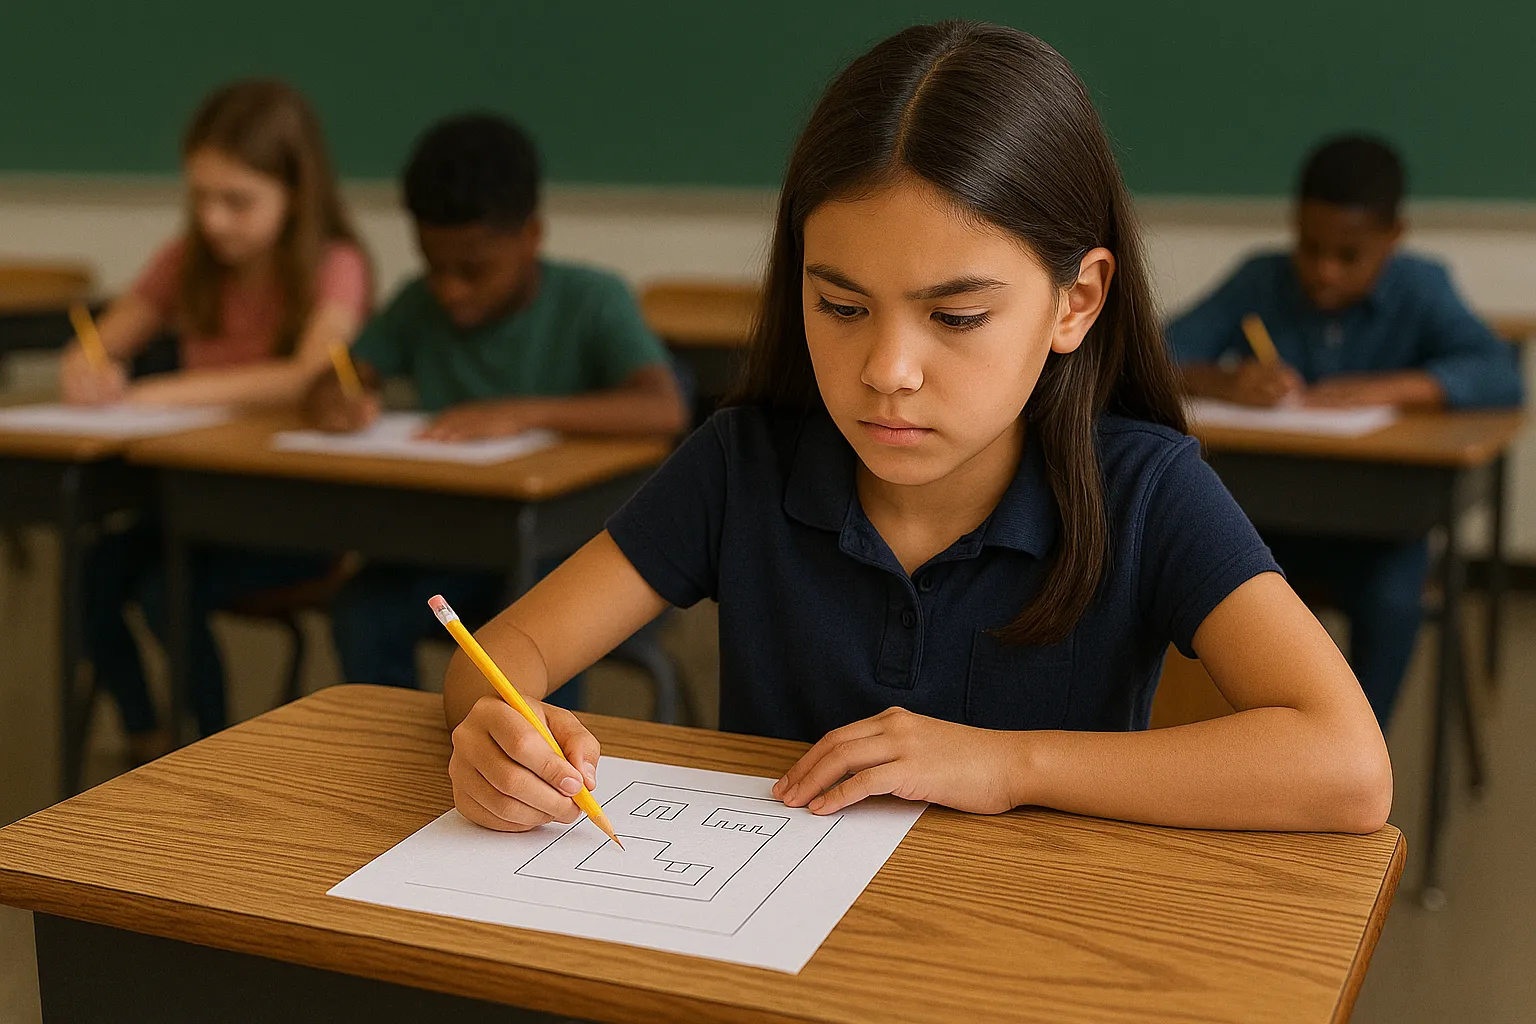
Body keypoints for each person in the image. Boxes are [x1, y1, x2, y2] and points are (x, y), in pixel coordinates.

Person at [441, 22, 1392, 836]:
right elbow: (501, 655)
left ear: (1077, 301)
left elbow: (1347, 767)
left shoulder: (1143, 489)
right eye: (841, 306)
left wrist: (1007, 767)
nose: (887, 372)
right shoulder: (744, 464)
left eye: (957, 316)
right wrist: (498, 728)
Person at [307, 114, 686, 697]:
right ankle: (390, 773)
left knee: (540, 627)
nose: (450, 289)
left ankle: (546, 777)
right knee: (364, 609)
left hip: (582, 557)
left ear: (531, 235)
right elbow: (341, 377)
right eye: (433, 267)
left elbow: (663, 409)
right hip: (462, 551)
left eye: (473, 270)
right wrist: (338, 396)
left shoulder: (593, 301)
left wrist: (524, 412)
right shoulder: (417, 306)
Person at [1168, 135, 1522, 722]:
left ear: (1393, 238)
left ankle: (1360, 758)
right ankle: (1228, 752)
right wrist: (1218, 380)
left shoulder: (1421, 287)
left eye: (1349, 256)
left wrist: (1397, 387)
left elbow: (1498, 374)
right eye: (1309, 248)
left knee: (1392, 596)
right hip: (1265, 525)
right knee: (1187, 569)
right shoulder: (1263, 279)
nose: (1323, 271)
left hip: (1376, 532)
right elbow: (1155, 349)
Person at [68, 80, 371, 758]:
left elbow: (307, 372)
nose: (214, 219)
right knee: (91, 573)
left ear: (296, 191)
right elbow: (97, 344)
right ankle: (145, 737)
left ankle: (208, 753)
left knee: (161, 591)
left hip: (291, 516)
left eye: (238, 201)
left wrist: (159, 392)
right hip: (190, 504)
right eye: (200, 196)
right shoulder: (187, 262)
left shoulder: (336, 264)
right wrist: (88, 369)